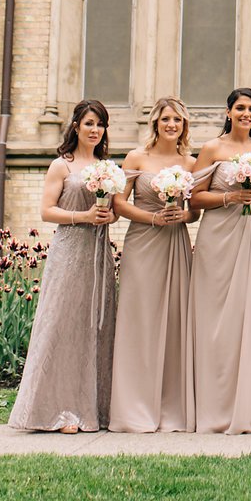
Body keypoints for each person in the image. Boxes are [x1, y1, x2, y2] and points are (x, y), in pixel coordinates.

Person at [8, 99, 118, 433]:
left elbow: (114, 211)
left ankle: (94, 409)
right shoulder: (62, 166)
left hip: (98, 255)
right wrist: (83, 217)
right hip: (69, 252)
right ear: (75, 126)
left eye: (99, 124)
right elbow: (47, 211)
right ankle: (58, 409)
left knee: (95, 326)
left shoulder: (108, 167)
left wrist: (107, 215)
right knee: (61, 325)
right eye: (88, 123)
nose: (94, 130)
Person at [188, 86, 251, 434]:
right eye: (240, 108)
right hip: (217, 238)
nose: (246, 114)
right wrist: (229, 196)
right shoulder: (212, 149)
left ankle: (250, 408)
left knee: (250, 317)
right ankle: (214, 406)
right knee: (215, 322)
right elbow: (194, 199)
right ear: (228, 112)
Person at [109, 95, 197, 433]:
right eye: (166, 120)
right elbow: (118, 202)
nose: (172, 125)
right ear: (156, 124)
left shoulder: (188, 163)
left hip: (175, 243)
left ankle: (170, 408)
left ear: (183, 126)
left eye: (177, 120)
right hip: (143, 242)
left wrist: (182, 214)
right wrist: (151, 218)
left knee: (174, 320)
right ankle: (133, 407)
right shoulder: (136, 157)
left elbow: (195, 211)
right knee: (139, 319)